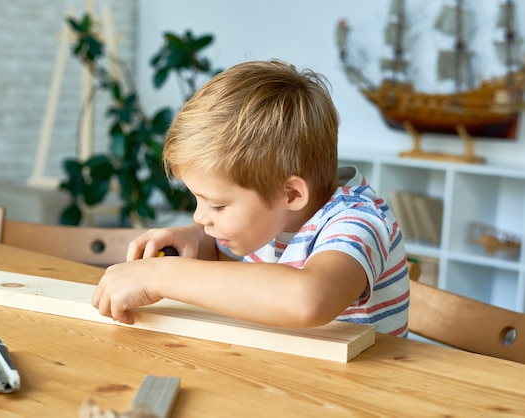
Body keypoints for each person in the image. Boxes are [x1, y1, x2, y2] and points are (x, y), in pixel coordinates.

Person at [92, 60, 410, 336]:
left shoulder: (360, 221)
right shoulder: (269, 220)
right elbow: (224, 258)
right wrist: (192, 240)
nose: (199, 216)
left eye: (217, 204)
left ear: (291, 194)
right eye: (198, 201)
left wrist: (161, 277)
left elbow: (309, 300)